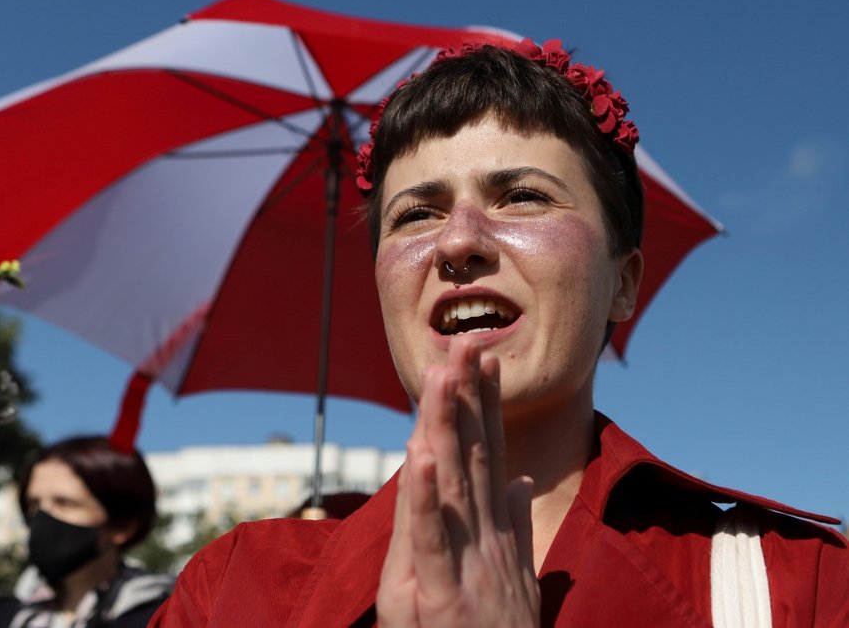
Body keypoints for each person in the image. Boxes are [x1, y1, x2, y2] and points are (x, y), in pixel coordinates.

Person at [148, 40, 849, 627]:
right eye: (415, 214)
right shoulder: (231, 591)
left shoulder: (804, 584)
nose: (457, 240)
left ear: (625, 281)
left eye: (522, 196)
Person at [0, 435, 174, 628]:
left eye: (65, 503)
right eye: (34, 504)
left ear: (123, 525)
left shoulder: (161, 618)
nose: (43, 517)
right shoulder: (1, 616)